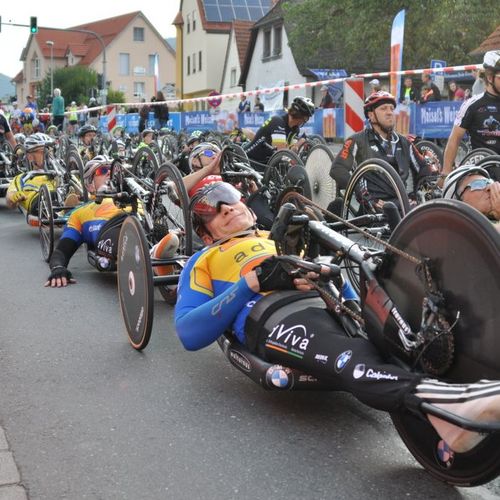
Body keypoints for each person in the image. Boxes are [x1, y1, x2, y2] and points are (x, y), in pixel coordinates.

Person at [174, 179, 500, 455]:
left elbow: (343, 288)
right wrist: (250, 283)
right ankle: (456, 403)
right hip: (275, 317)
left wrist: (350, 290)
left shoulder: (282, 233)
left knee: (401, 333)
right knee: (351, 355)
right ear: (206, 235)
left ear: (245, 204)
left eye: (228, 198)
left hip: (329, 303)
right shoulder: (205, 258)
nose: (226, 208)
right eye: (212, 210)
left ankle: (446, 418)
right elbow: (189, 332)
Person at [44, 155, 179, 287]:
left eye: (112, 169)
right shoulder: (80, 213)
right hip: (112, 231)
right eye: (102, 170)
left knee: (153, 224)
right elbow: (62, 251)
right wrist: (58, 268)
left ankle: (166, 252)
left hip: (143, 225)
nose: (109, 172)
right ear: (89, 184)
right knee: (126, 222)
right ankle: (155, 255)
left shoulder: (136, 197)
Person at [329, 91, 429, 197]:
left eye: (391, 108)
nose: (390, 112)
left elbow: (425, 170)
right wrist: (360, 191)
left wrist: (419, 194)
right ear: (371, 115)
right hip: (372, 206)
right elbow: (337, 169)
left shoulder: (405, 142)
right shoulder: (357, 140)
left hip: (403, 205)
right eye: (383, 108)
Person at [442, 51, 500, 176]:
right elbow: (455, 138)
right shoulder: (472, 104)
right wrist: (445, 173)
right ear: (490, 77)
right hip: (482, 171)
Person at [245, 96, 315, 171]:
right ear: (300, 116)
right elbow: (281, 153)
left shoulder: (295, 130)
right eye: (306, 118)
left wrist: (298, 144)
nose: (306, 121)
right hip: (250, 160)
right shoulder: (278, 121)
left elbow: (291, 151)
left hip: (265, 164)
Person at [6, 133, 58, 225]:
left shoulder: (58, 171)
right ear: (30, 156)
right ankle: (62, 211)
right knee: (50, 195)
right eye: (42, 151)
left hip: (61, 196)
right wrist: (13, 197)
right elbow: (9, 198)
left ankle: (67, 206)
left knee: (67, 190)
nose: (47, 154)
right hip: (38, 201)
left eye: (49, 151)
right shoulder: (21, 178)